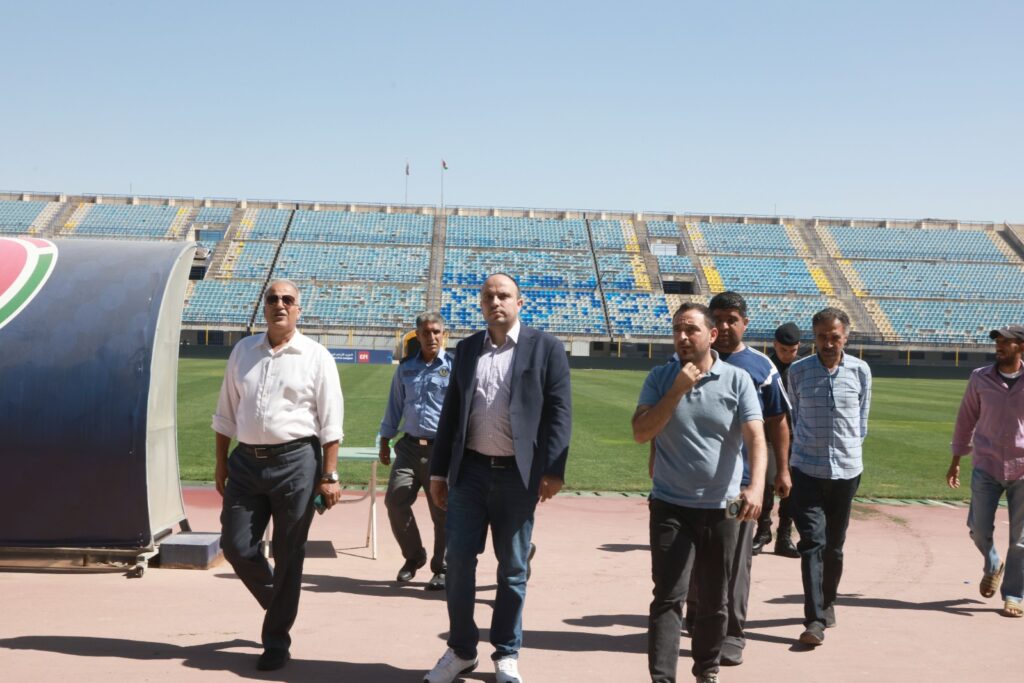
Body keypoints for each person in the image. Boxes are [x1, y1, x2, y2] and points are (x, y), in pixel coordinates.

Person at [424, 273, 572, 683]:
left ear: (519, 302)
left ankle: (506, 652)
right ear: (481, 303)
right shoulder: (468, 348)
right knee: (458, 564)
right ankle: (461, 650)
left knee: (512, 569)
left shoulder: (546, 347)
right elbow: (452, 412)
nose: (495, 301)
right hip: (469, 473)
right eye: (488, 295)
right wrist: (439, 472)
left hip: (517, 476)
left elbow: (560, 411)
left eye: (503, 295)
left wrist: (553, 469)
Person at [212, 279, 344, 671]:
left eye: (288, 299)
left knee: (289, 552)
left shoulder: (316, 356)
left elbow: (331, 421)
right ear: (264, 306)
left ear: (298, 309)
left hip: (296, 462)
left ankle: (275, 640)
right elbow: (225, 412)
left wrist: (330, 475)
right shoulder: (243, 351)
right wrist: (221, 462)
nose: (280, 304)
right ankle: (281, 600)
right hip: (245, 462)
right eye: (273, 299)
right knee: (236, 546)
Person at [634, 302, 766, 683]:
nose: (682, 336)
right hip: (670, 504)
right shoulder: (661, 378)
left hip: (724, 506)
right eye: (677, 329)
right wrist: (676, 390)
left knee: (715, 597)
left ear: (712, 335)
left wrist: (756, 486)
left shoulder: (738, 380)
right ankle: (663, 678)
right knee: (668, 597)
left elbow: (756, 437)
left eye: (691, 329)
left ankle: (707, 670)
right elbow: (641, 432)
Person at [683, 291, 789, 667]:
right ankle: (697, 614)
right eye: (719, 319)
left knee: (734, 561)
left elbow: (777, 421)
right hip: (692, 484)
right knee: (693, 555)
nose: (725, 326)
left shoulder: (760, 367)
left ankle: (732, 633)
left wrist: (781, 470)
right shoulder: (688, 361)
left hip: (738, 486)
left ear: (745, 323)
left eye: (732, 319)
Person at [787, 307, 871, 646]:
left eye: (834, 337)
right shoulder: (798, 371)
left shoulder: (861, 371)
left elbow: (862, 421)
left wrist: (847, 451)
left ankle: (828, 600)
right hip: (807, 469)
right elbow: (794, 417)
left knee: (834, 547)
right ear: (814, 337)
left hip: (847, 471)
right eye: (822, 336)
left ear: (845, 337)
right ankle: (814, 619)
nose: (828, 343)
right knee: (812, 544)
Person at [948, 324, 1024, 619]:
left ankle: (1014, 595)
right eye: (997, 341)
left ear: (1021, 347)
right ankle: (993, 563)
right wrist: (956, 459)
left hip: (1022, 467)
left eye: (1006, 342)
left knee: (1020, 539)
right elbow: (966, 418)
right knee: (979, 530)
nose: (999, 346)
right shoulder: (980, 377)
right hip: (986, 464)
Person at [379, 312, 452, 590]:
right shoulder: (406, 368)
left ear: (443, 334)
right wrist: (385, 440)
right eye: (426, 332)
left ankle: (441, 568)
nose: (431, 337)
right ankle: (414, 556)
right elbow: (394, 405)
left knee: (442, 511)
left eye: (436, 332)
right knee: (395, 501)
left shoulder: (454, 367)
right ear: (417, 335)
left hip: (441, 450)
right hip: (409, 447)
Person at [756, 321, 802, 558]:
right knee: (764, 486)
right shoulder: (765, 367)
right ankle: (763, 530)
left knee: (790, 489)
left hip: (796, 437)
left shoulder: (802, 368)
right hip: (767, 435)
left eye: (793, 350)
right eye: (784, 350)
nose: (788, 355)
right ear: (775, 345)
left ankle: (784, 535)